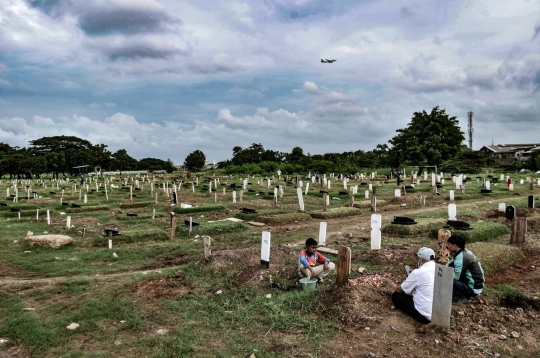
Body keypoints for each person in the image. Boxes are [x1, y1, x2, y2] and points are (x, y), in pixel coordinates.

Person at [392, 247, 435, 324]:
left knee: (396, 296)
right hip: (438, 314)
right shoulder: (439, 270)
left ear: (420, 260)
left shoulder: (418, 272)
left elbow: (399, 290)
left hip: (425, 316)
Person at [445, 234, 485, 303]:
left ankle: (463, 296)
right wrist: (444, 269)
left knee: (447, 279)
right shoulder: (465, 252)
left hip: (473, 289)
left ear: (454, 245)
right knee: (450, 270)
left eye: (449, 244)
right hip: (478, 285)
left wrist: (444, 275)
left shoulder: (461, 258)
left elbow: (457, 277)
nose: (447, 246)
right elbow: (451, 262)